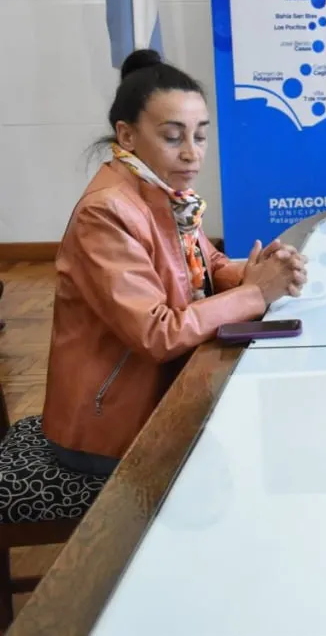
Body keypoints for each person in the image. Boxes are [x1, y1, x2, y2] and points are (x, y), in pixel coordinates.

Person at [42, 50, 307, 477]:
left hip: (161, 395)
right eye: (172, 137)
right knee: (260, 454)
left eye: (200, 136)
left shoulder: (161, 192)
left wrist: (261, 270)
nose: (191, 153)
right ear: (126, 136)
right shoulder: (106, 212)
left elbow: (206, 263)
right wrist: (255, 292)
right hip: (108, 428)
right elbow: (156, 333)